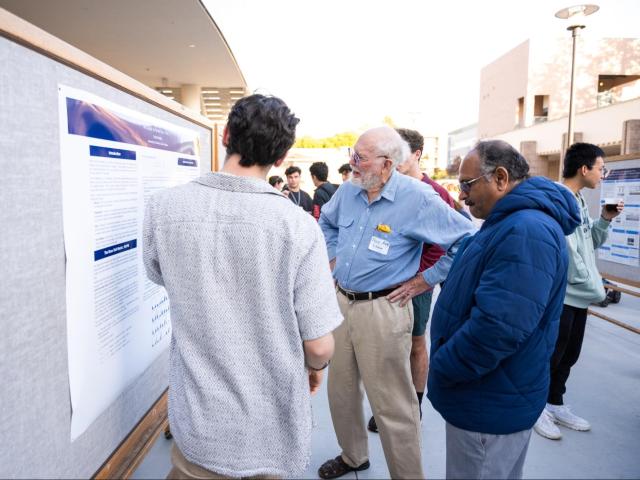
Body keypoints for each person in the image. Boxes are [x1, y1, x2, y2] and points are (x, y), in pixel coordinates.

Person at [143, 94, 343, 479]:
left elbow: (158, 274)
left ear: (225, 135)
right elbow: (318, 345)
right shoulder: (298, 227)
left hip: (199, 427)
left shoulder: (163, 208)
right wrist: (316, 366)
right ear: (282, 158)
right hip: (269, 432)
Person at [317, 126, 475, 480]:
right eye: (352, 155)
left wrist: (426, 279)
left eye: (360, 158)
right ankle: (353, 456)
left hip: (384, 310)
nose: (352, 164)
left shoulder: (418, 198)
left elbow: (467, 240)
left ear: (387, 164)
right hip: (341, 303)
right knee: (340, 391)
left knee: (393, 406)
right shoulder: (348, 191)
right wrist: (332, 258)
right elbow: (325, 223)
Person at [427, 140, 580, 479]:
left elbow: (498, 328)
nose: (462, 195)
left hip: (488, 400)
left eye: (467, 184)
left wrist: (444, 366)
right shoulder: (512, 222)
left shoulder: (526, 230)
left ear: (499, 177)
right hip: (491, 395)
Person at [366, 128, 455, 433]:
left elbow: (448, 245)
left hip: (414, 286)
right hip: (383, 285)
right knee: (388, 347)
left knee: (416, 344)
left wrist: (422, 280)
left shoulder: (436, 194)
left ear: (416, 155)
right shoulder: (385, 188)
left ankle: (414, 408)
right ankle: (389, 406)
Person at [534, 143, 623, 441]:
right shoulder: (561, 201)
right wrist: (597, 287)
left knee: (569, 355)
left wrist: (605, 220)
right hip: (563, 295)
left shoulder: (580, 201)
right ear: (584, 169)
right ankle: (537, 409)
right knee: (552, 354)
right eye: (601, 168)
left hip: (579, 296)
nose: (603, 174)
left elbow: (589, 243)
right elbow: (570, 258)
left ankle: (555, 403)